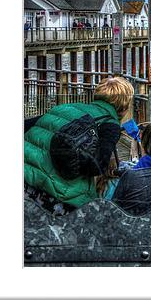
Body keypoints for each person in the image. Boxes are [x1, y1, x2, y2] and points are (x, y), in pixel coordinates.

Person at [24, 76, 134, 212]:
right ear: (124, 107)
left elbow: (25, 126)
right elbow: (98, 166)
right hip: (56, 194)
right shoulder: (110, 125)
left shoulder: (65, 107)